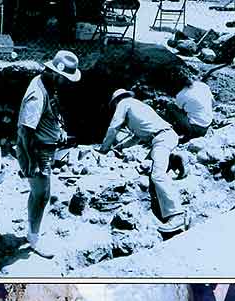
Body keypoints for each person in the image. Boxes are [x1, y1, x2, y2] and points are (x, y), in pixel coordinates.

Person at [17, 50, 81, 254]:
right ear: (55, 73)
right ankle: (34, 240)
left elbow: (50, 112)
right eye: (65, 78)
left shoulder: (46, 82)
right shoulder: (37, 94)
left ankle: (31, 231)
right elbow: (26, 131)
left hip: (43, 147)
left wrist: (58, 130)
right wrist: (33, 162)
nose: (66, 83)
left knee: (37, 194)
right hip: (37, 150)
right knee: (43, 195)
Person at [100, 89, 186, 234]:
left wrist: (104, 149)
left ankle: (176, 215)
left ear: (116, 101)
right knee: (148, 164)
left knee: (157, 175)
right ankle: (174, 161)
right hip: (166, 136)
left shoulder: (123, 104)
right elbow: (137, 137)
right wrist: (119, 147)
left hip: (161, 139)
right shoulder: (138, 106)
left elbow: (114, 127)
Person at [167, 70, 214, 141]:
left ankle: (174, 129)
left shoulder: (181, 95)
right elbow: (212, 102)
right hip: (208, 122)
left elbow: (180, 109)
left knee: (171, 107)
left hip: (195, 129)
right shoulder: (203, 85)